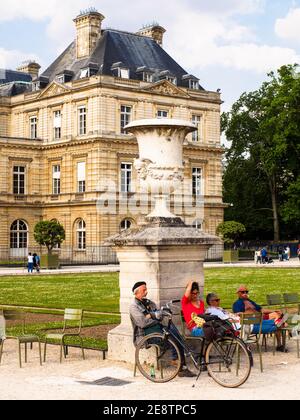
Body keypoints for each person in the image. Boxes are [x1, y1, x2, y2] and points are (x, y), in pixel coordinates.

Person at [129, 281, 196, 377]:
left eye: (146, 289)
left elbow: (159, 316)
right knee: (173, 337)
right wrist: (153, 316)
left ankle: (180, 364)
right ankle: (179, 363)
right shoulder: (133, 307)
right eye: (144, 290)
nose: (146, 292)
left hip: (157, 331)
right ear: (136, 293)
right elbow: (143, 323)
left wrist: (151, 316)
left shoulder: (150, 303)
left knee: (175, 333)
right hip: (145, 336)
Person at [233, 285, 289, 352]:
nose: (245, 293)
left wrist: (273, 310)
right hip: (252, 323)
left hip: (260, 319)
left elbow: (261, 309)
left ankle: (280, 323)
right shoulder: (237, 304)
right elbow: (238, 315)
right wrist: (251, 314)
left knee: (277, 315)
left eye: (246, 292)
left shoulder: (250, 301)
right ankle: (280, 324)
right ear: (238, 293)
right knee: (279, 324)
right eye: (242, 292)